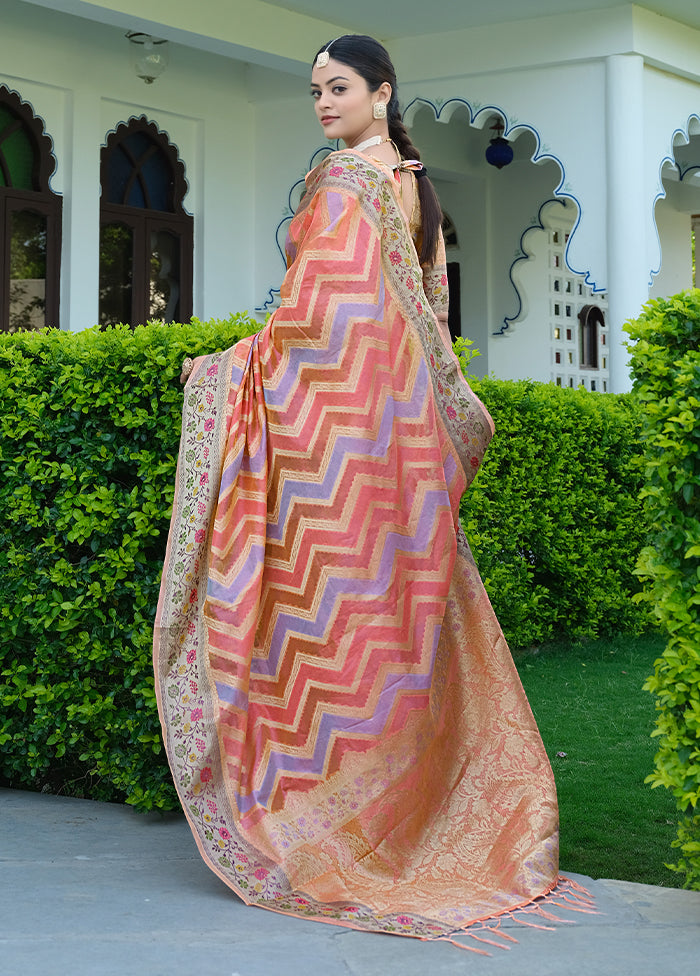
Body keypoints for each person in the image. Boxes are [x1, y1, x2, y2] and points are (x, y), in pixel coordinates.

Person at [154, 34, 588, 948]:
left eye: (337, 86)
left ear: (381, 91)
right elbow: (424, 329)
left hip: (342, 454)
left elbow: (317, 320)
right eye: (313, 89)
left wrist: (226, 369)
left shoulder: (347, 183)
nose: (321, 102)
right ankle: (405, 814)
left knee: (335, 623)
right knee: (389, 621)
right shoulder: (415, 187)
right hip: (399, 454)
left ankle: (336, 830)